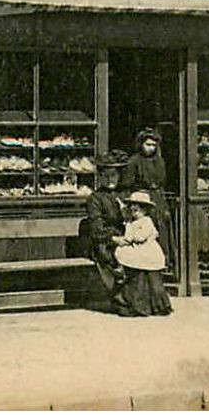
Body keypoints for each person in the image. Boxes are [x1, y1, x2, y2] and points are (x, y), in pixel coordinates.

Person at [111, 190, 172, 317]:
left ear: (145, 210)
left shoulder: (146, 222)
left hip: (148, 251)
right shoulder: (133, 223)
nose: (134, 214)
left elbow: (140, 237)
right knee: (138, 278)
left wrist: (129, 233)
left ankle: (157, 305)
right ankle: (139, 305)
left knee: (152, 280)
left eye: (137, 211)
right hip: (139, 251)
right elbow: (130, 237)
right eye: (132, 211)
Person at [121, 128, 174, 269]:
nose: (150, 148)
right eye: (147, 144)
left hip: (159, 198)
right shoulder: (134, 161)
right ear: (140, 144)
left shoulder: (159, 160)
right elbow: (127, 184)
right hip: (142, 199)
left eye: (153, 145)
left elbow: (163, 180)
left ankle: (164, 261)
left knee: (162, 230)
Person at [83, 149, 129, 308]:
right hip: (104, 241)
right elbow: (96, 228)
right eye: (106, 175)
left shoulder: (122, 195)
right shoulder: (95, 199)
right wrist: (114, 239)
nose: (111, 179)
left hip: (123, 236)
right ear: (100, 177)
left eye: (114, 175)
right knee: (110, 257)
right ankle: (119, 295)